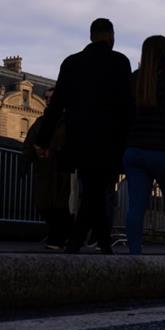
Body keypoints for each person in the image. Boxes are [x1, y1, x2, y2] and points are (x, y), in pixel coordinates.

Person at [35, 18, 133, 254]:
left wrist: (43, 138)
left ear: (91, 36)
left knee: (90, 189)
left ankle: (84, 241)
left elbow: (56, 105)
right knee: (99, 191)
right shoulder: (120, 62)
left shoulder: (72, 63)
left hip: (79, 138)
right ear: (111, 37)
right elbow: (127, 106)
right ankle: (92, 241)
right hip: (109, 140)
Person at [123, 35, 165, 255]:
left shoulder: (134, 79)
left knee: (136, 207)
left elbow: (126, 117)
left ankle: (135, 255)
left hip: (135, 151)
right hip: (164, 151)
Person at [23, 87, 72, 250]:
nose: (48, 100)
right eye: (46, 97)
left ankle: (57, 238)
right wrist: (31, 154)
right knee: (43, 205)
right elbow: (30, 141)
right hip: (44, 169)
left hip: (62, 169)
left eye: (52, 97)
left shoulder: (68, 121)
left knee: (59, 204)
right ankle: (59, 236)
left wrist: (54, 150)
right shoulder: (40, 122)